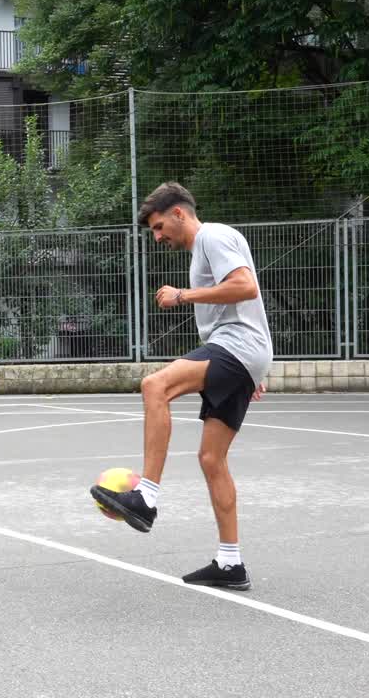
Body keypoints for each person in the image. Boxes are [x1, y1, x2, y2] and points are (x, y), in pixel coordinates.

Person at [91, 181, 271, 591]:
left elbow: (246, 287)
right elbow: (243, 305)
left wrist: (182, 295)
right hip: (241, 352)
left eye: (158, 227)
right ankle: (231, 563)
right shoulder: (204, 248)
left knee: (155, 386)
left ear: (179, 213)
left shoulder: (213, 236)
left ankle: (147, 497)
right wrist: (251, 371)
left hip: (237, 347)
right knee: (211, 459)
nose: (157, 237)